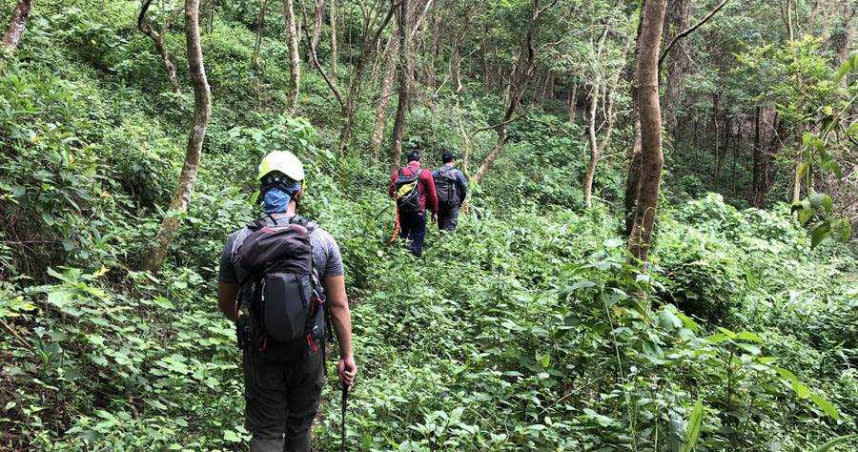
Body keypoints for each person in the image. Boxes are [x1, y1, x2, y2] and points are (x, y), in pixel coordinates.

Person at [217, 150, 357, 452]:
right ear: (300, 190)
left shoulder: (238, 241)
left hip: (261, 348)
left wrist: (251, 323)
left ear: (261, 189)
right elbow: (338, 306)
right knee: (299, 427)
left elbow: (226, 303)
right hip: (309, 348)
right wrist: (347, 355)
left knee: (266, 431)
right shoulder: (321, 240)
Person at [388, 149, 438, 256]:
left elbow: (391, 193)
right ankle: (414, 259)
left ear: (408, 160)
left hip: (402, 211)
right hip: (419, 211)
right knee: (417, 237)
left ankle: (401, 257)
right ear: (420, 160)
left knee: (403, 235)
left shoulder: (397, 174)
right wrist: (434, 211)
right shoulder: (425, 173)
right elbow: (433, 195)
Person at [432, 150, 468, 231]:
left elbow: (430, 190)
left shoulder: (434, 174)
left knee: (441, 227)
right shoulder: (458, 173)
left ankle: (441, 242)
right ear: (453, 160)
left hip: (439, 204)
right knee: (451, 228)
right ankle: (447, 242)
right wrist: (460, 202)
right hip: (453, 204)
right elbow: (464, 189)